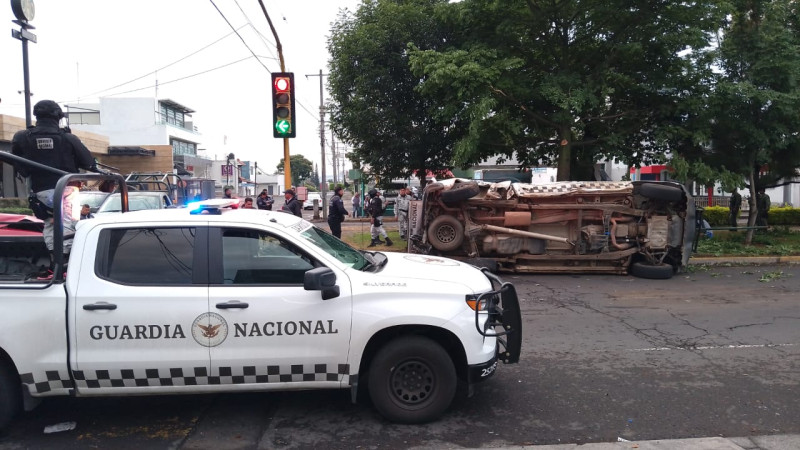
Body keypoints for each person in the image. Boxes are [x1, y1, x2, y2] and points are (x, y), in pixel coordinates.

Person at [11, 99, 97, 280]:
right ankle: (66, 269)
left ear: (37, 116)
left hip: (40, 192)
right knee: (69, 227)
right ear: (58, 116)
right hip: (67, 189)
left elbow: (19, 165)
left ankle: (55, 267)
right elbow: (88, 162)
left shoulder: (22, 137)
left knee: (51, 225)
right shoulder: (68, 138)